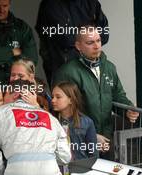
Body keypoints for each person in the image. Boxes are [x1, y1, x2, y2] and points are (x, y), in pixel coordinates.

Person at [54, 26, 139, 159]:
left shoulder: (109, 67)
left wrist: (127, 110)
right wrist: (91, 135)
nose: (97, 46)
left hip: (107, 137)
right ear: (78, 46)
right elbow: (62, 110)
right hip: (80, 140)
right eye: (90, 42)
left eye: (98, 41)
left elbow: (118, 95)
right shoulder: (67, 72)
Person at [0, 79, 71, 175]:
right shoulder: (51, 118)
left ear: (15, 95)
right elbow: (65, 157)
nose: (3, 99)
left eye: (5, 94)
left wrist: (0, 170)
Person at [35, 0, 109, 87]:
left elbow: (104, 34)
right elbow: (65, 37)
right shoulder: (50, 4)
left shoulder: (91, 2)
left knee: (93, 98)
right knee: (68, 99)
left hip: (91, 65)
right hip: (62, 67)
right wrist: (91, 37)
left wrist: (87, 39)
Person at [52, 81, 98, 160]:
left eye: (58, 97)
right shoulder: (51, 121)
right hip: (58, 168)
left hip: (80, 167)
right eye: (52, 97)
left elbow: (93, 153)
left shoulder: (86, 122)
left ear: (71, 100)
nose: (53, 100)